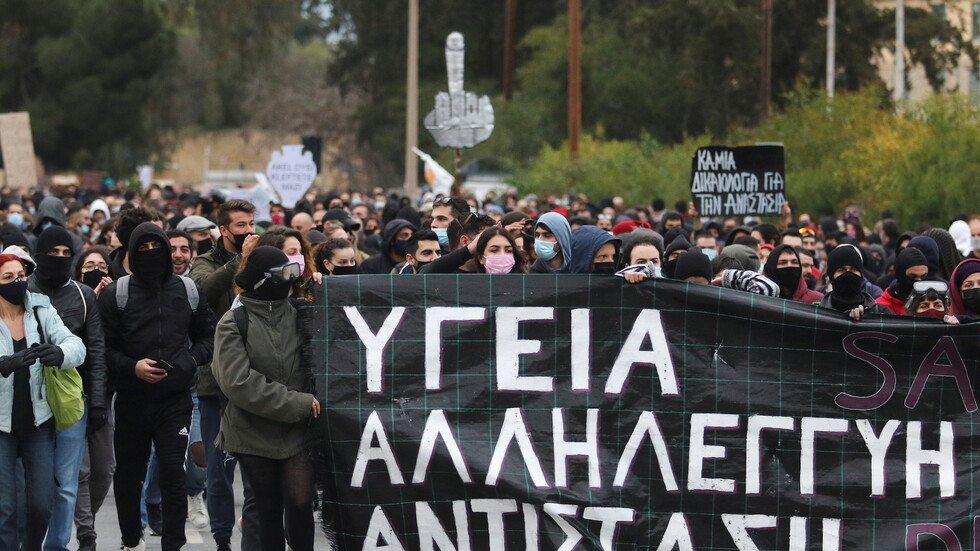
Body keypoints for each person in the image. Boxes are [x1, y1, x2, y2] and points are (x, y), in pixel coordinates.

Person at [98, 222, 215, 551]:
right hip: (132, 399)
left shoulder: (189, 290)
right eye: (143, 249)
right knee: (129, 475)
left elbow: (208, 337)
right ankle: (131, 540)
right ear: (132, 254)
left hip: (175, 400)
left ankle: (173, 545)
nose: (152, 255)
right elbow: (102, 348)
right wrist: (132, 367)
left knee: (173, 477)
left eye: (157, 247)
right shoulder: (116, 294)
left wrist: (189, 361)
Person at [213, 247, 319, 551]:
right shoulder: (233, 322)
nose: (289, 281)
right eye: (282, 275)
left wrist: (326, 285)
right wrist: (298, 402)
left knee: (300, 503)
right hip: (252, 430)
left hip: (297, 430)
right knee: (268, 508)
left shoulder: (301, 311)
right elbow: (239, 382)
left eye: (292, 272)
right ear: (261, 280)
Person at [27, 228, 109, 551]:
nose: (59, 258)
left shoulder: (83, 295)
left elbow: (96, 351)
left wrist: (98, 402)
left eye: (66, 253)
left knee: (66, 484)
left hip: (73, 403)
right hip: (29, 401)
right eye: (53, 252)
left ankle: (58, 545)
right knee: (33, 486)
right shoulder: (24, 290)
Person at [187, 200, 260, 551]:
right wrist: (240, 260)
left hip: (254, 379)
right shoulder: (204, 262)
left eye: (251, 223)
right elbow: (201, 293)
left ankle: (255, 536)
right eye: (240, 225)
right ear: (224, 230)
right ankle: (222, 540)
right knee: (218, 470)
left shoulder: (261, 255)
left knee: (256, 470)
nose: (248, 230)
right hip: (214, 383)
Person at [0, 253, 86, 551]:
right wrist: (3, 364)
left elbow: (76, 345)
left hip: (38, 424)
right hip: (1, 427)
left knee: (41, 505)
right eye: (8, 278)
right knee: (5, 508)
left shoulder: (41, 308)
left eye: (21, 276)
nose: (17, 283)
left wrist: (60, 354)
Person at [819, 245, 887, 320]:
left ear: (861, 275)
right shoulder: (817, 312)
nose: (848, 274)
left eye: (854, 269)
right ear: (831, 277)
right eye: (841, 270)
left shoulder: (880, 312)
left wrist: (867, 317)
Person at [874, 247, 930, 315]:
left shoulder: (933, 306)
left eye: (923, 276)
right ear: (900, 275)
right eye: (913, 276)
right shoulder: (878, 307)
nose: (918, 282)